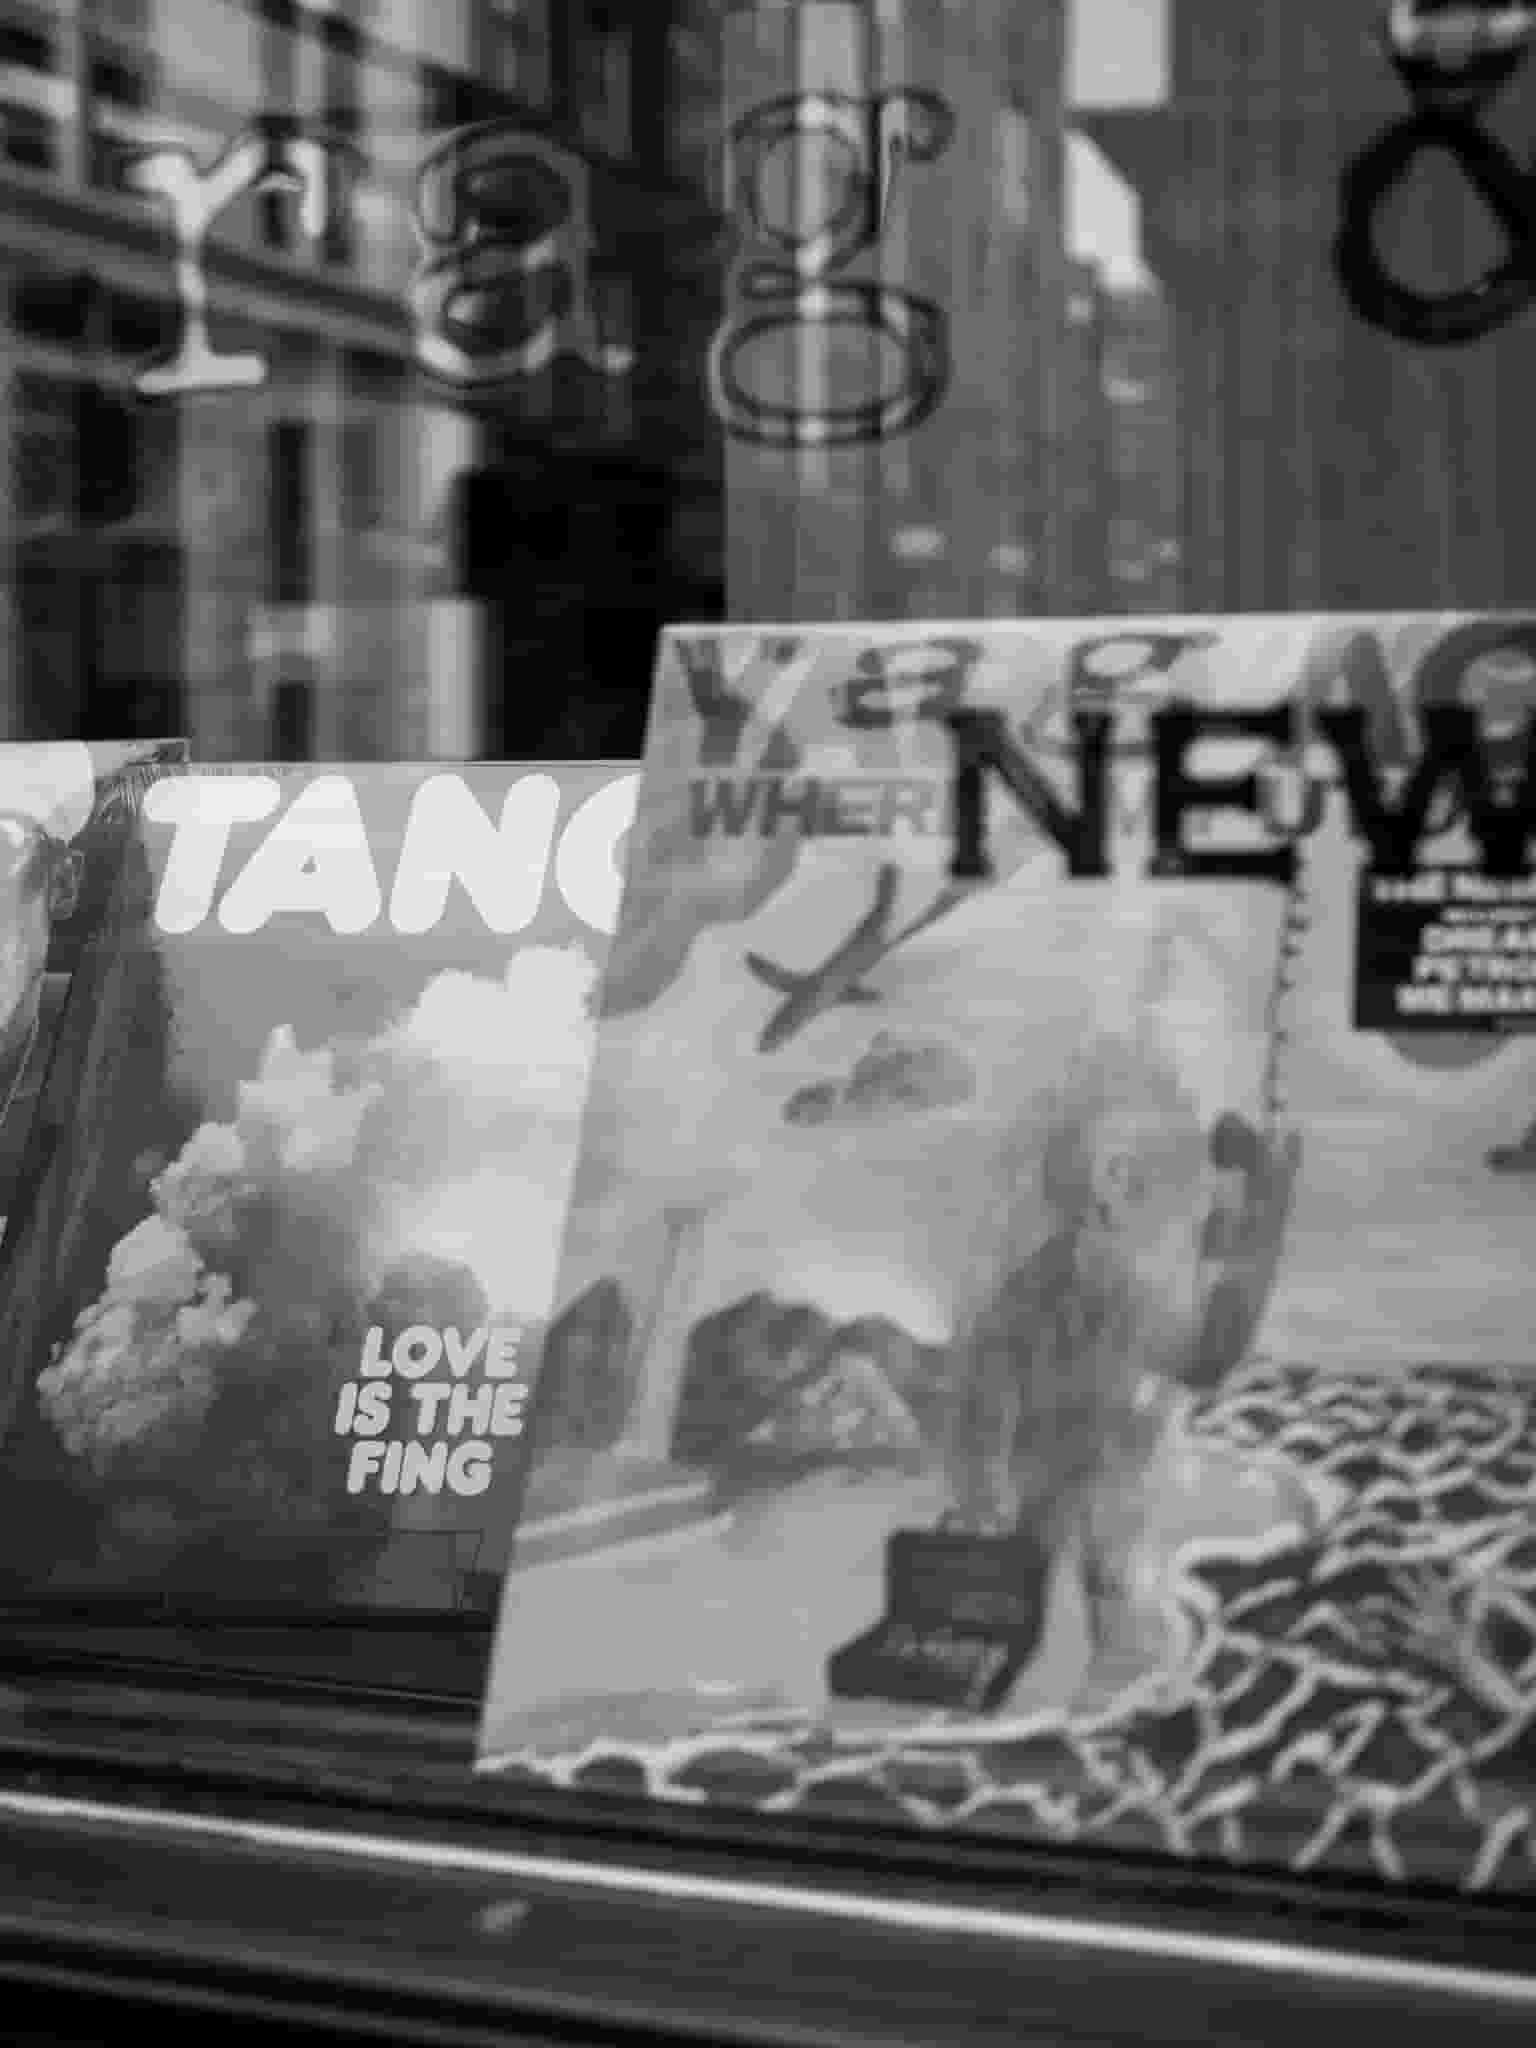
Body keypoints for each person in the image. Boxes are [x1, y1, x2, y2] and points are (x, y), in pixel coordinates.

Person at [945, 1035, 1309, 1683]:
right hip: (1066, 1463)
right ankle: (1026, 1675)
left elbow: (1194, 1359)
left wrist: (1259, 1216)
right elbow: (1195, 1359)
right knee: (1059, 1578)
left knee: (1088, 1582)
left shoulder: (1096, 1284)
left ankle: (1061, 1675)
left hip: (1087, 1462)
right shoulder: (1064, 1284)